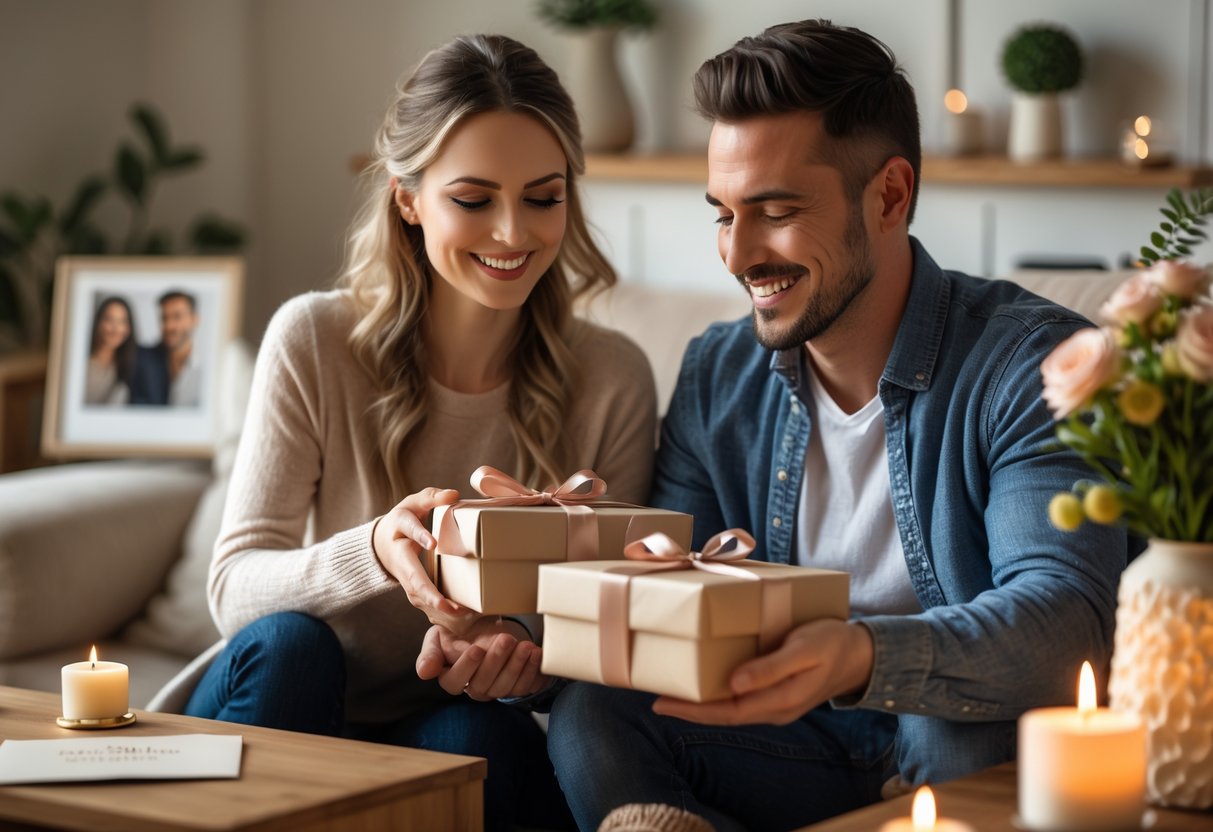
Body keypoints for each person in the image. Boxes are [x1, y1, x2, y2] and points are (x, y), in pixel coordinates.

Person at [545, 19, 1130, 832]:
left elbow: (1062, 621)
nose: (737, 253)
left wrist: (863, 656)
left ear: (888, 196)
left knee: (952, 722)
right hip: (791, 742)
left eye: (776, 211)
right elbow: (667, 593)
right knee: (594, 712)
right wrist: (522, 621)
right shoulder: (719, 372)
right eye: (722, 213)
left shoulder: (1029, 365)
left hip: (960, 738)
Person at [176, 34, 656, 832]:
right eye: (473, 199)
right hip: (282, 693)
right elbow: (233, 589)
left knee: (480, 737)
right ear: (407, 197)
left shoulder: (611, 377)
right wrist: (373, 552)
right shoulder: (313, 339)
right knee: (295, 647)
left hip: (438, 715)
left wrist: (516, 653)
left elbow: (606, 627)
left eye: (543, 197)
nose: (513, 233)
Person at [128, 289, 201, 406]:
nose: (169, 326)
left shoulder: (209, 366)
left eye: (177, 317)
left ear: (194, 320)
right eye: (164, 318)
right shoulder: (142, 359)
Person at [83, 295, 136, 405]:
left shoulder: (131, 364)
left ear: (129, 328)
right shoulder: (83, 363)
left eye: (122, 322)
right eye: (109, 320)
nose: (116, 329)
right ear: (98, 323)